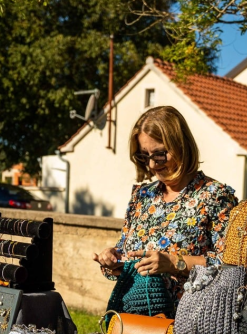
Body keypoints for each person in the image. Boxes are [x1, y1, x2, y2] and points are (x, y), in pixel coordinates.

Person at [93, 106, 238, 307]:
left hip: (189, 323)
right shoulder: (142, 196)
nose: (152, 165)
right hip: (135, 317)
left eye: (159, 155)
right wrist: (113, 259)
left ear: (180, 145)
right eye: (143, 157)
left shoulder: (215, 196)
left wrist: (173, 263)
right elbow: (127, 254)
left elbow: (231, 267)